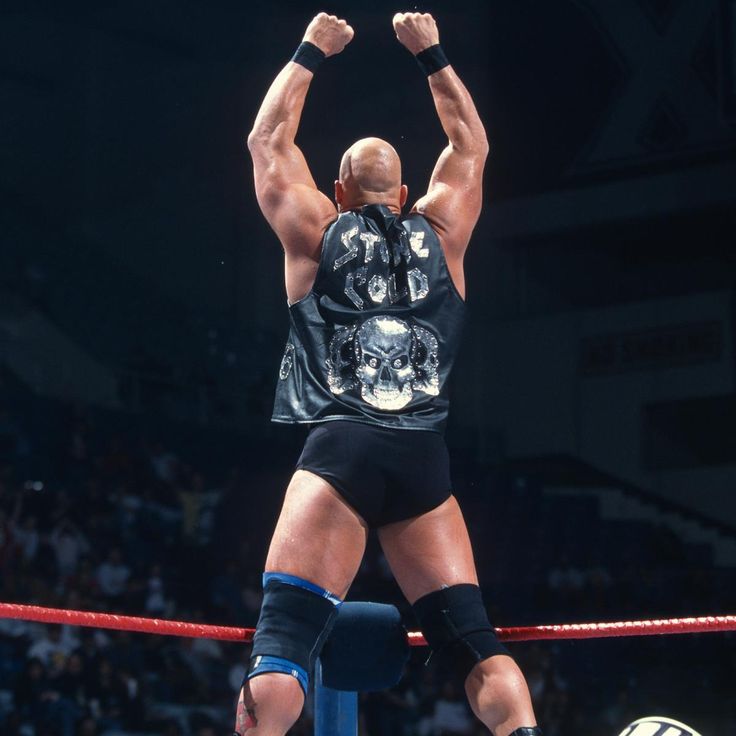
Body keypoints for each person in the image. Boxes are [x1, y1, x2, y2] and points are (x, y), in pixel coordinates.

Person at [236, 11, 541, 736]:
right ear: (404, 198)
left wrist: (312, 50)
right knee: (473, 643)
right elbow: (472, 143)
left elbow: (266, 140)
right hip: (422, 456)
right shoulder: (445, 233)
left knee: (282, 643)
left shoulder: (315, 229)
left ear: (338, 193)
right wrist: (431, 52)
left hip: (341, 445)